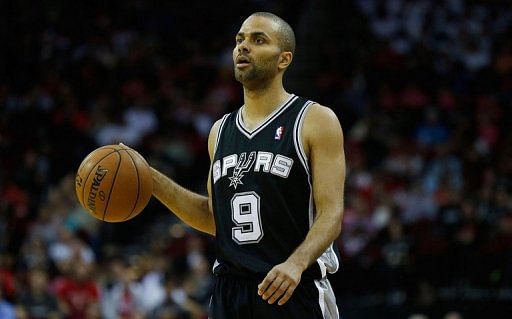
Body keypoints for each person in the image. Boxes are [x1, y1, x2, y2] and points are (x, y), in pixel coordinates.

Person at [148, 11, 345, 318]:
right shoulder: (220, 132)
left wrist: (296, 263)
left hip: (292, 288)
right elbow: (216, 219)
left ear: (283, 59)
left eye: (258, 40)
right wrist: (151, 180)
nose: (243, 46)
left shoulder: (314, 120)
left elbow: (331, 214)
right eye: (240, 39)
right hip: (230, 294)